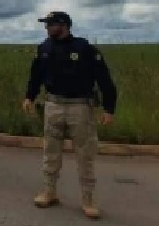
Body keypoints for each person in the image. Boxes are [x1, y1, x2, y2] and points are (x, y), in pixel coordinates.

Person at [22, 11, 117, 220]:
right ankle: (49, 191)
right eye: (46, 25)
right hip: (53, 105)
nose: (47, 28)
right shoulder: (44, 48)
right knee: (50, 150)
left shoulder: (84, 48)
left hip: (80, 108)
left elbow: (104, 79)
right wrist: (29, 96)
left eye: (50, 24)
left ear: (63, 25)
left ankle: (88, 199)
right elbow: (35, 75)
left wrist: (109, 109)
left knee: (85, 154)